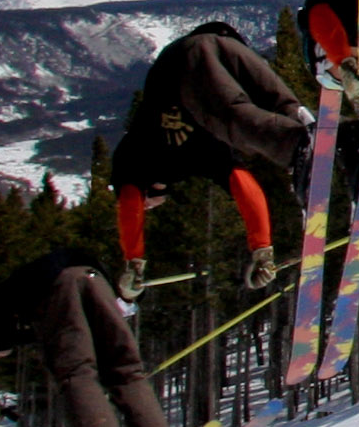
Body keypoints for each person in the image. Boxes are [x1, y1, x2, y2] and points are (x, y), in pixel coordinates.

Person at [104, 20, 309, 294]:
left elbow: (129, 203)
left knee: (235, 115)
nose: (148, 206)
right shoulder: (192, 155)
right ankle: (336, 134)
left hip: (187, 57)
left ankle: (301, 144)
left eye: (148, 205)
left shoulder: (137, 156)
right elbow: (243, 184)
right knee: (285, 108)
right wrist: (261, 250)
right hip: (231, 46)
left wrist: (133, 263)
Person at [0, 246, 176, 427]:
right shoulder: (9, 299)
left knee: (77, 375)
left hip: (54, 287)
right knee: (124, 369)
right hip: (92, 274)